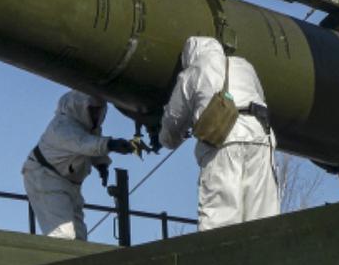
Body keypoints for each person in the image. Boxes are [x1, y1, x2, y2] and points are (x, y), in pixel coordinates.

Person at [158, 36, 279, 231]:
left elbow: (173, 123)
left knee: (220, 218)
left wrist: (165, 139)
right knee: (263, 215)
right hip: (260, 137)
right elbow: (260, 97)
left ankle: (221, 261)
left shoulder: (193, 71)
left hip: (222, 141)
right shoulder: (245, 66)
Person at [22, 90, 134, 240]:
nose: (96, 115)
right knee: (63, 235)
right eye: (92, 110)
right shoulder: (62, 127)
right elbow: (84, 144)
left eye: (99, 111)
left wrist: (101, 164)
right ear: (80, 107)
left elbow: (92, 141)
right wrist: (111, 144)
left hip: (69, 184)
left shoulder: (87, 128)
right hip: (45, 178)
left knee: (79, 237)